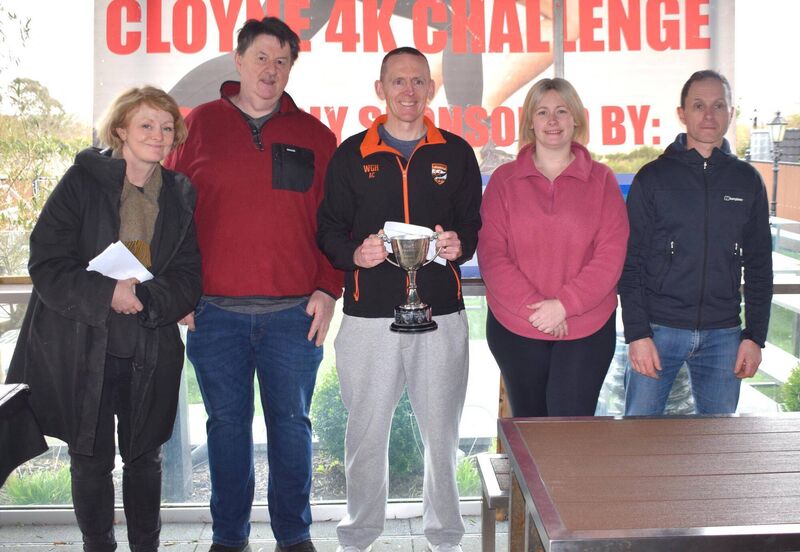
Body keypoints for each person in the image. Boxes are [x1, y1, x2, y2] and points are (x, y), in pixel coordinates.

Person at [164, 17, 341, 552]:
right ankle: (228, 537)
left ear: (292, 69)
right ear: (238, 61)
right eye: (262, 57)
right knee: (227, 430)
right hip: (214, 314)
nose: (271, 69)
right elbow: (168, 217)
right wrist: (179, 292)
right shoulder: (195, 127)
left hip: (294, 316)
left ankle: (294, 536)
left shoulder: (316, 136)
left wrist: (328, 290)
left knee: (292, 430)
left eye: (283, 60)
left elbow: (336, 223)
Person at [6, 86, 202, 552]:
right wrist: (107, 293)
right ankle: (98, 546)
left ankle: (145, 548)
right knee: (88, 457)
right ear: (121, 131)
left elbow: (189, 273)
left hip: (149, 344)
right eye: (146, 125)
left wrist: (147, 300)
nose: (158, 135)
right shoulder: (81, 181)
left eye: (167, 127)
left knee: (145, 458)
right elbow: (47, 261)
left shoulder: (179, 195)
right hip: (83, 344)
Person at [317, 47, 482, 552]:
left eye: (418, 81)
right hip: (369, 319)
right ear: (380, 89)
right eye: (398, 82)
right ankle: (359, 536)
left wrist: (459, 244)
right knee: (366, 436)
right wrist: (355, 254)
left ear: (431, 89)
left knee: (441, 437)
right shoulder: (352, 153)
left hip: (441, 316)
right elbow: (327, 229)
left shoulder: (456, 152)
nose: (408, 91)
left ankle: (445, 537)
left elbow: (472, 225)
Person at [619, 70, 773, 415]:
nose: (708, 115)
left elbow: (760, 265)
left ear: (730, 113)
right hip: (659, 331)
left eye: (718, 106)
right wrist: (637, 334)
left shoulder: (747, 181)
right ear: (682, 113)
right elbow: (630, 263)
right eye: (699, 105)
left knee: (715, 449)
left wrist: (754, 337)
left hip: (724, 337)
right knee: (638, 442)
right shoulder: (653, 178)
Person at [477, 78, 629, 417]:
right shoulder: (503, 182)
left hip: (586, 328)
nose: (552, 120)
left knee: (570, 438)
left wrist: (564, 306)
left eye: (561, 111)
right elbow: (492, 255)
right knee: (531, 432)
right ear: (530, 121)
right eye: (542, 112)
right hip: (516, 326)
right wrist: (539, 310)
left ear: (576, 118)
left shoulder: (602, 181)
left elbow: (610, 256)